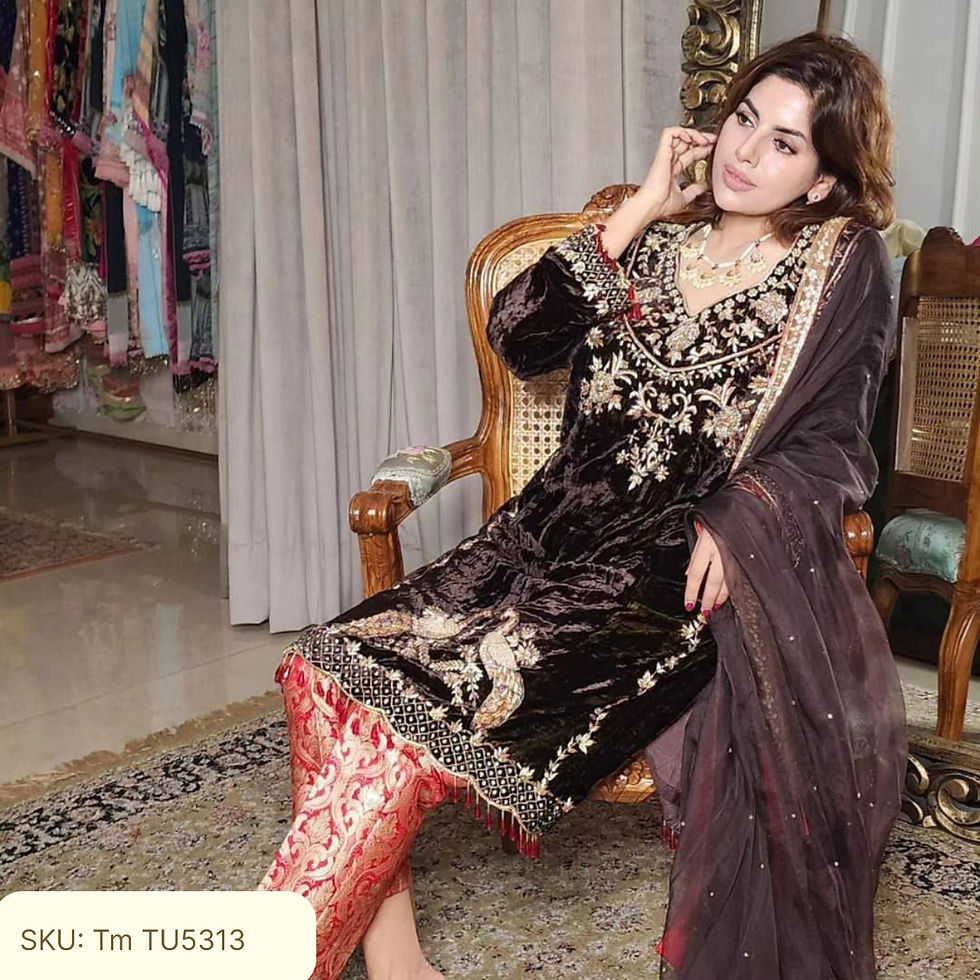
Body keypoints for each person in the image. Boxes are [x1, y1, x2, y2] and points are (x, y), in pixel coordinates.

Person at [259, 31, 907, 980]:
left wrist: (743, 518)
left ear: (822, 179)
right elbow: (520, 334)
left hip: (656, 576)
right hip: (535, 539)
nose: (744, 150)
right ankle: (397, 964)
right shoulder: (651, 245)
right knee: (324, 670)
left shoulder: (838, 266)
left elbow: (836, 441)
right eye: (742, 119)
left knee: (403, 723)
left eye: (783, 143)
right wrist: (641, 206)